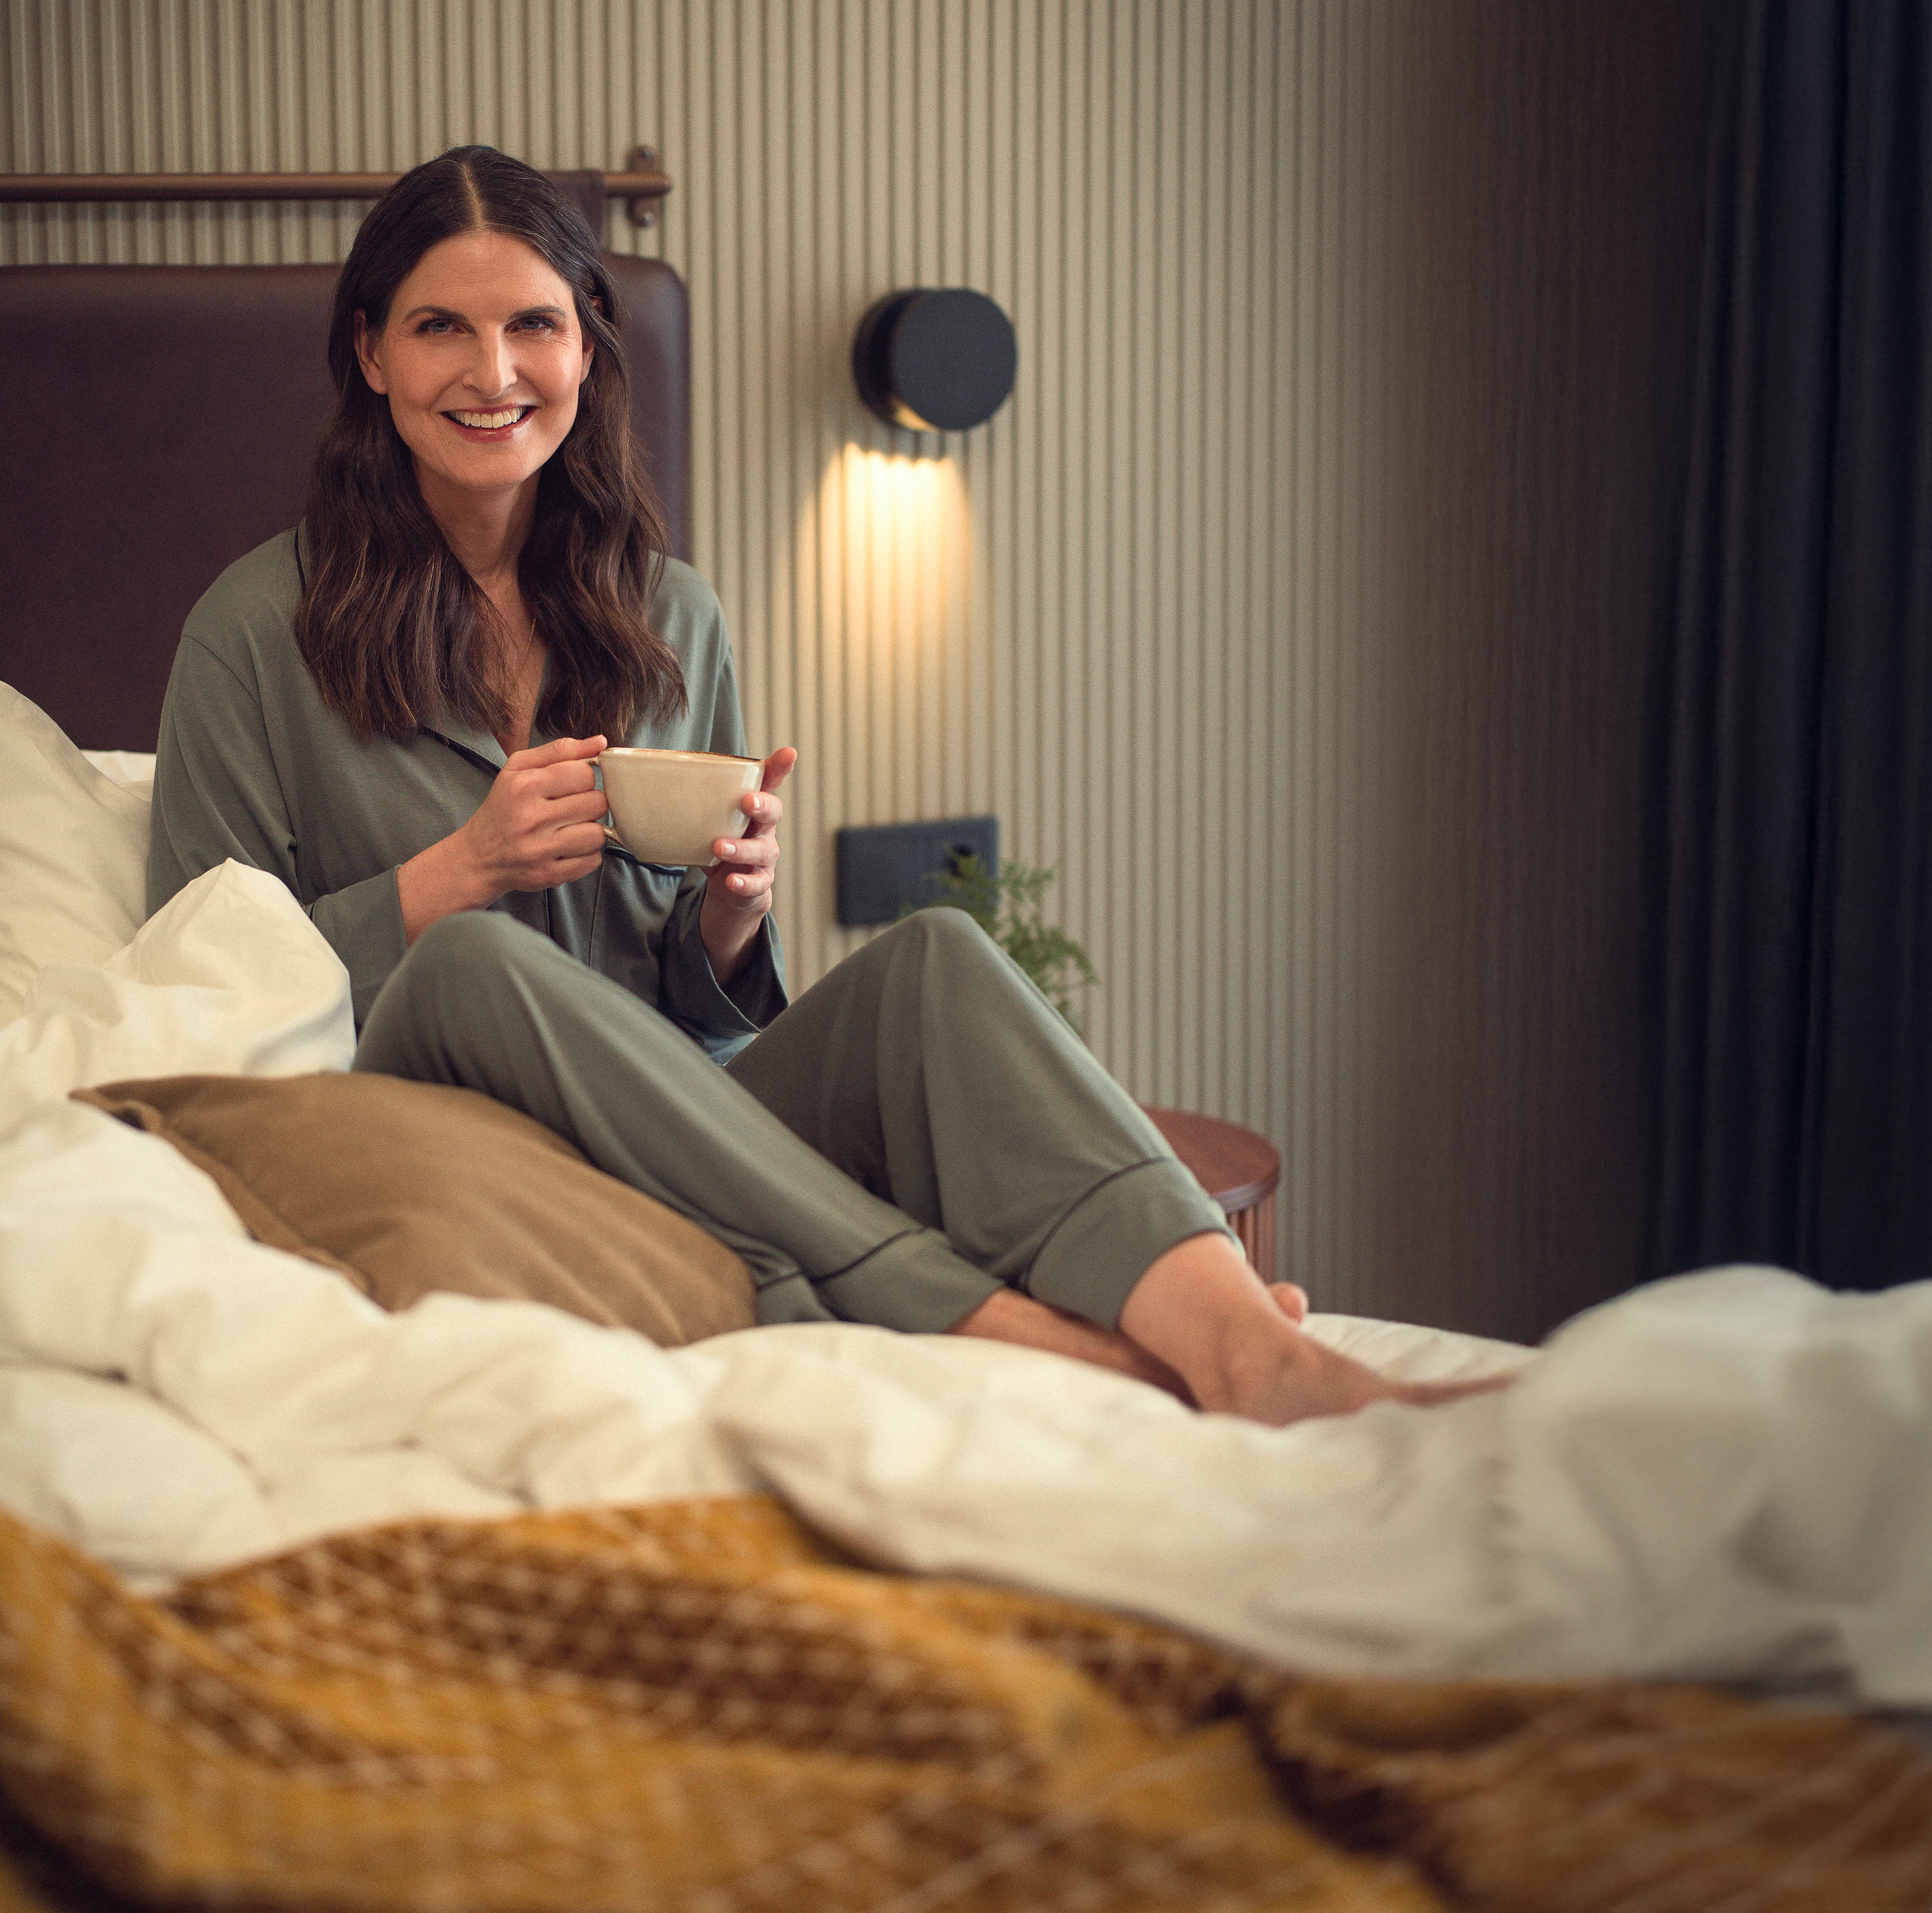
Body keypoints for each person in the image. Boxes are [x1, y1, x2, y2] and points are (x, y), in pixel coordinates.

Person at [148, 144, 1475, 1423]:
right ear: (371, 352)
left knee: (936, 956)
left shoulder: (669, 613)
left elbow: (702, 1017)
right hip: (449, 1147)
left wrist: (731, 917)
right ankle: (999, 1325)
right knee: (470, 964)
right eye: (441, 326)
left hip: (689, 1144)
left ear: (586, 346)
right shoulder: (254, 632)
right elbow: (191, 995)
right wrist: (457, 874)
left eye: (533, 325)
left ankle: (1246, 1342)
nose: (493, 372)